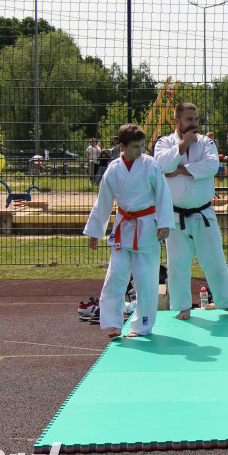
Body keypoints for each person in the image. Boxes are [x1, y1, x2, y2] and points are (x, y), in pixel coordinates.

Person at [154, 102, 228, 320]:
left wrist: (181, 170)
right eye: (189, 119)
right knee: (178, 264)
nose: (194, 123)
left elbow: (211, 166)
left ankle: (226, 303)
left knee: (215, 260)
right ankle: (182, 306)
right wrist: (183, 144)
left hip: (204, 213)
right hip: (175, 215)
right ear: (177, 121)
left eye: (196, 119)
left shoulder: (206, 142)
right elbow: (162, 165)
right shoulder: (164, 142)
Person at [83, 124, 173, 339]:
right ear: (122, 146)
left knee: (146, 279)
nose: (140, 150)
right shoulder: (113, 169)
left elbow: (163, 194)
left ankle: (142, 325)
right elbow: (103, 202)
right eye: (135, 146)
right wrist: (95, 231)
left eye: (142, 145)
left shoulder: (151, 165)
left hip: (147, 227)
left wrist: (164, 223)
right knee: (115, 276)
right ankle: (113, 323)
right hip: (123, 227)